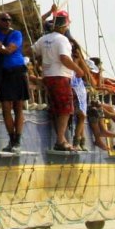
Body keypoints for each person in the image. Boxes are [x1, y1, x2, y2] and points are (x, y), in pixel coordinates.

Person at [31, 11, 85, 151]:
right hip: (60, 76)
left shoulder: (44, 39)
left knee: (56, 109)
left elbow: (32, 51)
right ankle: (60, 140)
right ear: (65, 25)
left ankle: (61, 139)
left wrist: (40, 64)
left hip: (48, 76)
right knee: (65, 109)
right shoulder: (62, 40)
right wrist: (78, 70)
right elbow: (64, 58)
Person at [0, 12, 30, 152]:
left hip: (17, 70)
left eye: (9, 20)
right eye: (4, 20)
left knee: (18, 106)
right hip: (3, 71)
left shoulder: (16, 34)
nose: (7, 22)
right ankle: (12, 139)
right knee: (5, 107)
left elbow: (9, 50)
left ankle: (18, 139)